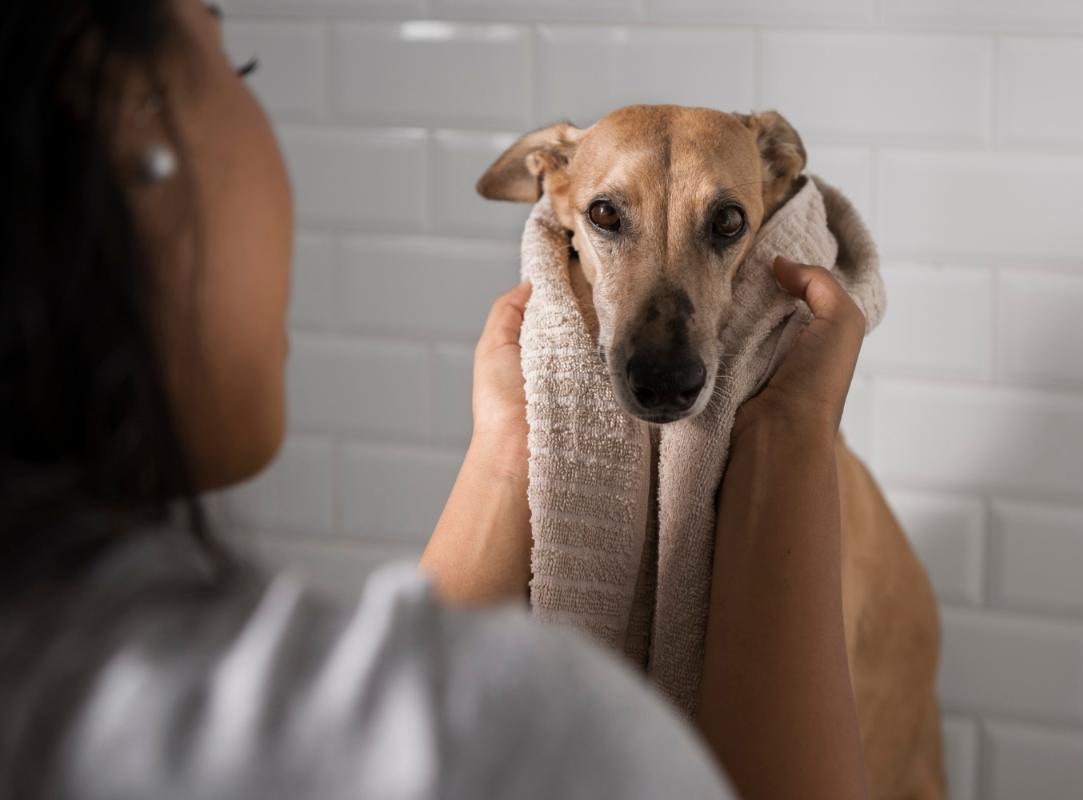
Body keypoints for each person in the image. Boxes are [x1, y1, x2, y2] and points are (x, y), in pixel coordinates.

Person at [0, 1, 869, 798]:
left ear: (776, 184)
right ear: (125, 124)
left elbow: (411, 683)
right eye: (237, 69)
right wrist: (792, 431)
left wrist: (505, 443)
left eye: (725, 227)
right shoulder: (545, 734)